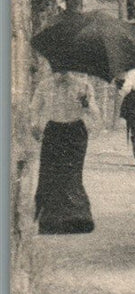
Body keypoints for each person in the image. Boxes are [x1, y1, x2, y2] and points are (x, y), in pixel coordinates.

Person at [30, 61, 100, 233]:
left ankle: (77, 219)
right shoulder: (45, 85)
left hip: (75, 132)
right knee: (50, 174)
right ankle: (50, 221)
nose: (62, 73)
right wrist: (35, 126)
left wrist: (86, 103)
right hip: (53, 131)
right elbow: (34, 109)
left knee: (72, 174)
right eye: (58, 68)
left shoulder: (83, 86)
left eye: (65, 69)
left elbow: (95, 114)